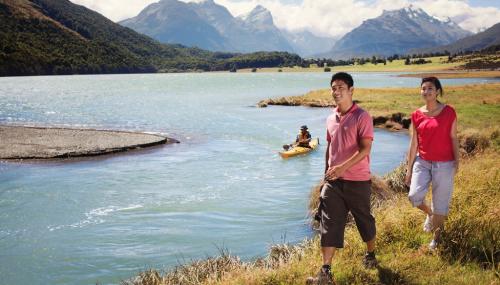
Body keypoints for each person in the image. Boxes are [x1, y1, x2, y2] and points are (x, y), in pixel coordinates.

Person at [307, 72, 376, 285]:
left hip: (358, 180)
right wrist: (325, 175)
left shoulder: (362, 116)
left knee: (364, 220)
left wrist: (341, 167)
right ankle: (325, 271)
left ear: (351, 90)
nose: (336, 92)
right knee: (328, 224)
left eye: (341, 88)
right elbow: (330, 146)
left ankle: (371, 254)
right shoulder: (330, 118)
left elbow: (366, 149)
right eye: (333, 88)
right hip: (333, 183)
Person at [405, 76, 459, 251]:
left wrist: (457, 161)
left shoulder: (449, 112)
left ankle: (436, 239)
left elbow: (453, 137)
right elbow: (414, 143)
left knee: (440, 203)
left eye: (430, 88)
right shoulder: (416, 115)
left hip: (445, 164)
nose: (426, 91)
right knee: (414, 196)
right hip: (423, 162)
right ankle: (429, 214)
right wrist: (408, 170)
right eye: (423, 88)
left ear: (437, 91)